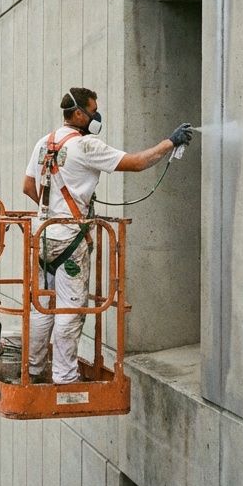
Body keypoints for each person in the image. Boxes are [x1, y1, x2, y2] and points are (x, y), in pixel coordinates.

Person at [21, 87, 191, 384]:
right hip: (70, 243)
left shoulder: (43, 143)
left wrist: (56, 212)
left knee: (42, 307)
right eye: (92, 110)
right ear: (78, 114)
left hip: (42, 238)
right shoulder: (86, 146)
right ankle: (64, 378)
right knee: (69, 311)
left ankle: (33, 370)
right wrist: (170, 141)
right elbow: (137, 163)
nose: (96, 116)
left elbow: (27, 187)